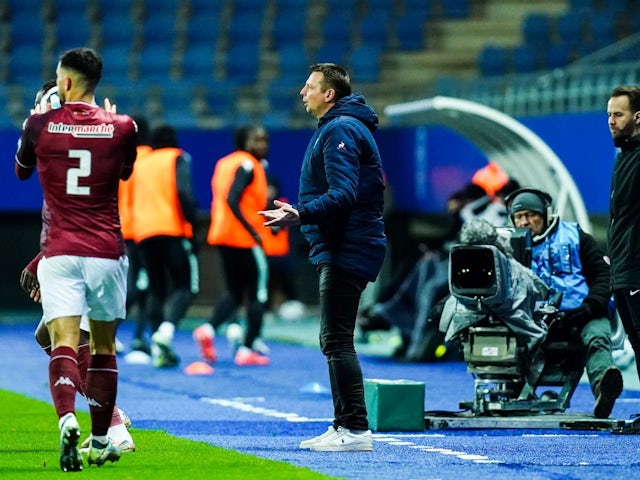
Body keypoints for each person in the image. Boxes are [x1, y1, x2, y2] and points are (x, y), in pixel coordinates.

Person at [14, 47, 137, 470]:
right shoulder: (119, 127)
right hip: (103, 252)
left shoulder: (44, 127)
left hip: (67, 253)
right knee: (73, 342)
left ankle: (108, 426)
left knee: (64, 341)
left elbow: (28, 173)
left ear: (63, 86)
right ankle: (106, 427)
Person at [259, 63, 386, 451]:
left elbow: (344, 192)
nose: (302, 92)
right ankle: (344, 424)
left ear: (329, 94)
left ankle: (356, 429)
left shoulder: (340, 129)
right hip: (345, 243)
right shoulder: (339, 127)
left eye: (310, 86)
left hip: (349, 244)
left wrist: (300, 214)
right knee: (334, 339)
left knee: (336, 339)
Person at [506, 187, 623, 418]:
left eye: (531, 215)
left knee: (597, 335)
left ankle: (603, 388)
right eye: (519, 217)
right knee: (506, 335)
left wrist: (590, 306)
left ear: (545, 215)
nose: (525, 222)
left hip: (581, 315)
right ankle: (513, 392)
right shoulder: (507, 247)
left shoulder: (575, 236)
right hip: (532, 321)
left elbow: (603, 274)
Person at [193, 125, 271, 366]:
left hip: (222, 235)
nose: (263, 144)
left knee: (235, 292)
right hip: (244, 238)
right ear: (244, 142)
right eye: (257, 139)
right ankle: (247, 347)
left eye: (264, 139)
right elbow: (232, 198)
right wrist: (252, 231)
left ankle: (208, 328)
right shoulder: (248, 164)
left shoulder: (224, 162)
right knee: (258, 293)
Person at [131, 124, 200, 368]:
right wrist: (193, 222)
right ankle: (166, 333)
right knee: (186, 287)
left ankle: (158, 348)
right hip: (172, 229)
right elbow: (183, 191)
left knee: (156, 290)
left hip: (143, 233)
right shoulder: (178, 157)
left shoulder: (141, 162)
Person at [119, 114, 151, 354]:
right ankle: (139, 337)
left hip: (119, 229)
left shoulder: (119, 159)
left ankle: (105, 334)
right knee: (146, 285)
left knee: (127, 284)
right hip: (144, 230)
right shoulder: (152, 160)